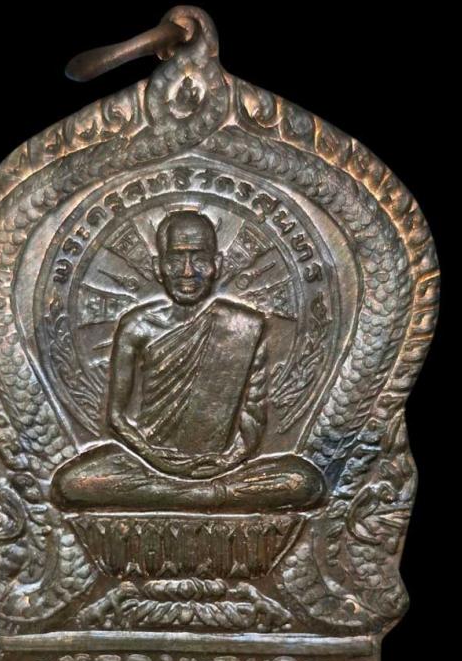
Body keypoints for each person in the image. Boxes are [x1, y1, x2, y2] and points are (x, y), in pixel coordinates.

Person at [51, 210, 325, 512]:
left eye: (199, 259)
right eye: (175, 260)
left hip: (224, 467)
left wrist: (228, 460)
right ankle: (206, 496)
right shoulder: (136, 326)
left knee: (304, 480)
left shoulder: (245, 325)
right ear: (158, 267)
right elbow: (116, 418)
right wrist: (157, 459)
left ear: (217, 265)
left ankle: (186, 494)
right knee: (72, 482)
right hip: (147, 463)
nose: (187, 272)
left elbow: (253, 417)